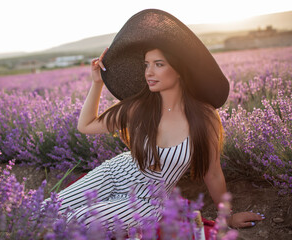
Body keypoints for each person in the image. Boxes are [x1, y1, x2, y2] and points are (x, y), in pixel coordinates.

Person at [43, 9, 264, 232]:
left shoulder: (204, 116)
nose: (149, 72)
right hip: (114, 173)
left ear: (179, 70)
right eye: (146, 64)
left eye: (159, 64)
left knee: (74, 223)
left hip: (147, 201)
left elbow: (212, 172)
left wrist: (227, 216)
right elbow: (86, 126)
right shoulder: (139, 106)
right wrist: (97, 83)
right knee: (43, 212)